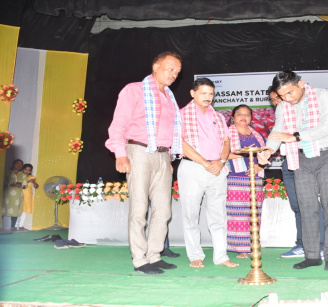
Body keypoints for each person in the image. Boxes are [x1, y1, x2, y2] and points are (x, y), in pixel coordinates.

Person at [105, 51, 183, 275]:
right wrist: (120, 153)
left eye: (177, 72)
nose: (174, 75)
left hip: (162, 156)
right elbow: (118, 123)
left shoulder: (170, 97)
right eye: (170, 69)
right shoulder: (134, 90)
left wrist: (168, 158)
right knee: (139, 209)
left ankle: (154, 255)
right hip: (138, 151)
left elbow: (168, 131)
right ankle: (140, 260)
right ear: (156, 67)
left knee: (163, 210)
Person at [259, 70, 328, 271]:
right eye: (282, 96)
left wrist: (296, 137)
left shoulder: (324, 96)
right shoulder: (283, 106)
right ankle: (312, 255)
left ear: (301, 84)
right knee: (307, 208)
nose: (287, 99)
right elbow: (278, 132)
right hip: (300, 159)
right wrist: (268, 150)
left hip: (326, 155)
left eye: (290, 93)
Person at [177, 78, 239, 268]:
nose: (208, 97)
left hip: (217, 168)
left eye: (211, 93)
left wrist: (220, 161)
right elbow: (180, 142)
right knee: (190, 213)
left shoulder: (218, 116)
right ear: (192, 93)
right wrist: (205, 162)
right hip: (193, 168)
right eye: (203, 93)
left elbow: (227, 141)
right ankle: (195, 255)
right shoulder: (180, 114)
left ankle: (221, 256)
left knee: (218, 214)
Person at [268, 89, 325, 258]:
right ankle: (301, 245)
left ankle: (321, 246)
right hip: (289, 163)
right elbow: (276, 136)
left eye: (279, 97)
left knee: (311, 205)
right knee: (297, 207)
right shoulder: (281, 116)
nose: (277, 102)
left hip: (306, 159)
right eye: (273, 100)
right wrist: (267, 151)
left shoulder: (302, 111)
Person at [226, 104, 267, 258]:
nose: (243, 117)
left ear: (251, 118)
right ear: (233, 117)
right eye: (239, 114)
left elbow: (264, 156)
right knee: (238, 213)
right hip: (234, 178)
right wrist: (245, 154)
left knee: (254, 212)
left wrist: (258, 166)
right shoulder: (226, 134)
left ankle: (253, 243)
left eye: (247, 114)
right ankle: (240, 247)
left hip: (255, 178)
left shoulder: (258, 136)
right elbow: (221, 154)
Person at [1, 159, 27, 234]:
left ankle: (11, 228)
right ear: (13, 164)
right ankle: (6, 228)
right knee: (6, 210)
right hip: (7, 195)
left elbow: (25, 186)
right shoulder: (6, 173)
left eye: (21, 164)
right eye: (17, 163)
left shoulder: (23, 175)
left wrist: (20, 185)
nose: (19, 165)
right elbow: (2, 182)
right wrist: (10, 184)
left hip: (18, 196)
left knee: (15, 211)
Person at [15, 163, 39, 231]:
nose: (27, 171)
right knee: (17, 210)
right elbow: (17, 184)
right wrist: (28, 181)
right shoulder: (18, 176)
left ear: (31, 171)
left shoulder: (33, 177)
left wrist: (34, 182)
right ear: (23, 169)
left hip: (27, 196)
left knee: (24, 211)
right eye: (26, 169)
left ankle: (21, 226)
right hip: (19, 194)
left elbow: (36, 187)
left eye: (29, 170)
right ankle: (15, 226)